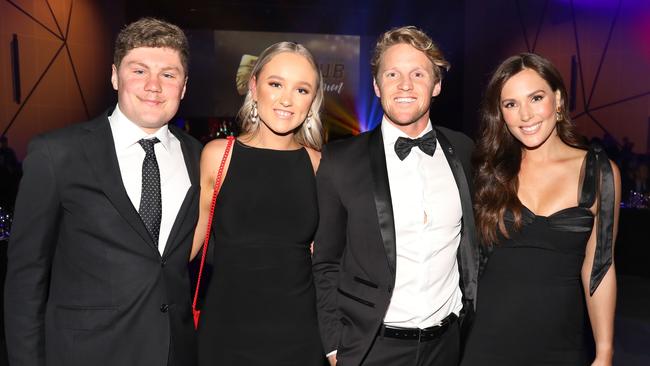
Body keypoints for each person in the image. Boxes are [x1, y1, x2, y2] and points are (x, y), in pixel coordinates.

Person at [4, 18, 202, 366]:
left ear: (184, 87)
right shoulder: (57, 154)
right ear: (114, 76)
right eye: (139, 71)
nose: (153, 86)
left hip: (175, 354)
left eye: (169, 74)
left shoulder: (199, 157)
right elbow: (25, 279)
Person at [313, 26, 479, 366]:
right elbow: (325, 261)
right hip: (371, 348)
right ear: (376, 85)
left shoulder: (463, 150)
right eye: (392, 74)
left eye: (418, 74)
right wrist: (333, 346)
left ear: (437, 85)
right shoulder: (340, 161)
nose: (405, 85)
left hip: (447, 346)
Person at [460, 53, 620, 366]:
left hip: (561, 347)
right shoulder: (487, 171)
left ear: (558, 100)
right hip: (485, 342)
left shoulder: (599, 172)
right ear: (501, 113)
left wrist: (604, 352)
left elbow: (600, 267)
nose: (525, 115)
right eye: (510, 104)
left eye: (536, 98)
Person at [192, 41, 325, 365]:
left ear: (312, 102)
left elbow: (326, 258)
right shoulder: (217, 155)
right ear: (254, 86)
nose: (286, 99)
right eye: (276, 84)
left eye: (302, 90)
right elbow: (185, 247)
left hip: (299, 336)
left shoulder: (318, 164)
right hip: (226, 332)